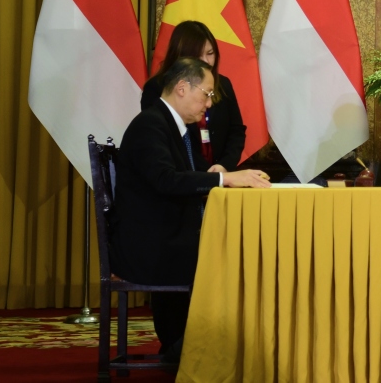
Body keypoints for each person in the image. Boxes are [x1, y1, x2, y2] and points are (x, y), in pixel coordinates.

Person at [111, 58, 271, 362]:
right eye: (207, 94)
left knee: (237, 249)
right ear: (182, 88)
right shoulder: (150, 124)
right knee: (233, 256)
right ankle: (191, 350)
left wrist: (225, 175)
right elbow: (166, 180)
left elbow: (194, 175)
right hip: (151, 244)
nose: (209, 104)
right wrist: (226, 179)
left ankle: (198, 347)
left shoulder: (171, 127)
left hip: (167, 234)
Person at [142, 21, 246, 172]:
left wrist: (223, 166)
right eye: (197, 56)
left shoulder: (223, 84)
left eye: (210, 53)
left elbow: (236, 131)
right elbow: (167, 141)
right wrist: (208, 175)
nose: (206, 61)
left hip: (220, 174)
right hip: (183, 176)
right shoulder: (157, 88)